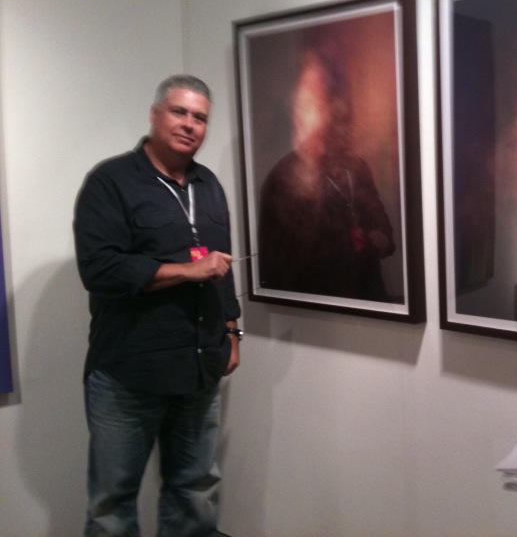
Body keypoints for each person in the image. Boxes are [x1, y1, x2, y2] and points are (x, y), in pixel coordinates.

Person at [73, 75, 242, 537]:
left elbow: (223, 267)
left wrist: (232, 332)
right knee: (112, 507)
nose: (189, 124)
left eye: (200, 118)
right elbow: (100, 270)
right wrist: (187, 271)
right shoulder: (110, 181)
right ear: (154, 115)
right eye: (179, 112)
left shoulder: (209, 185)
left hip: (200, 369)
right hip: (128, 374)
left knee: (196, 493)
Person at [257, 49, 396, 301]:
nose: (306, 115)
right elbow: (276, 268)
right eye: (304, 104)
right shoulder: (282, 179)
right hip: (318, 308)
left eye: (321, 102)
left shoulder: (356, 167)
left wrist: (381, 239)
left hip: (370, 299)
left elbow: (383, 228)